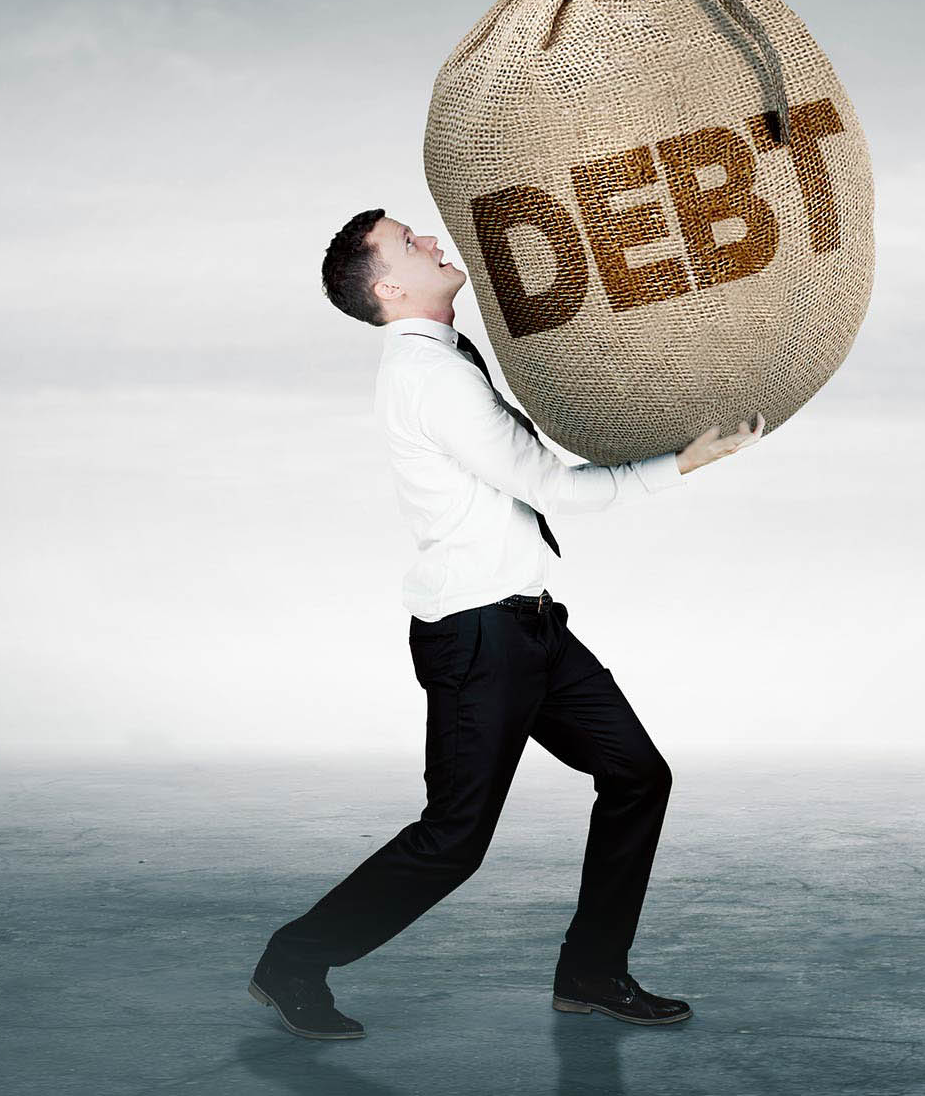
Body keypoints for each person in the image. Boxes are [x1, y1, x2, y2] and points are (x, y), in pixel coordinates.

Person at [247, 208, 764, 1041]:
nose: (432, 242)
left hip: (532, 628)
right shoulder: (432, 378)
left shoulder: (448, 358)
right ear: (388, 287)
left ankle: (592, 972)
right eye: (409, 243)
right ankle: (293, 962)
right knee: (453, 840)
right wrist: (683, 463)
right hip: (478, 637)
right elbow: (553, 487)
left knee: (637, 775)